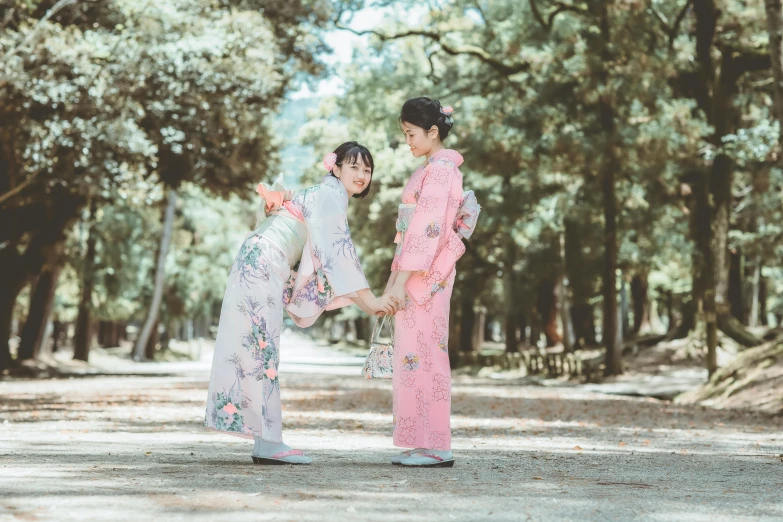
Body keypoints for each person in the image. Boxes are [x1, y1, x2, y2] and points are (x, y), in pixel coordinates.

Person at [205, 142, 395, 465]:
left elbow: (332, 257)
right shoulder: (330, 198)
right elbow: (341, 259)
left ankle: (265, 438)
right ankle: (268, 441)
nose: (362, 175)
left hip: (257, 258)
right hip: (266, 261)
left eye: (367, 169)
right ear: (335, 168)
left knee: (258, 347)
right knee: (263, 349)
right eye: (354, 167)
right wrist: (372, 302)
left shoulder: (324, 195)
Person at [385, 97, 476, 468]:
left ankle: (438, 443)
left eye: (411, 134)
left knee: (427, 353)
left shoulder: (440, 170)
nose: (407, 141)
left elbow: (424, 231)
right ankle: (422, 438)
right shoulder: (436, 168)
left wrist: (399, 280)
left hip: (426, 273)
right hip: (419, 269)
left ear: (433, 132)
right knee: (414, 353)